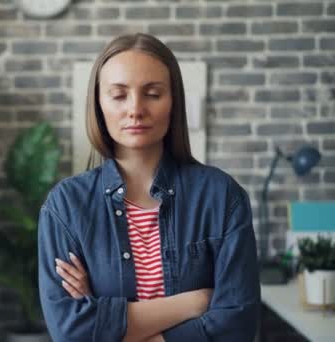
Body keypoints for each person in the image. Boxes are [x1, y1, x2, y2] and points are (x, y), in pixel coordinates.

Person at [37, 33, 260, 342]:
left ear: (173, 102)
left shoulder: (222, 196)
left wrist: (107, 322)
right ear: (98, 104)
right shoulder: (65, 206)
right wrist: (196, 302)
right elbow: (71, 330)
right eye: (118, 95)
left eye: (153, 94)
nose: (135, 109)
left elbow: (238, 324)